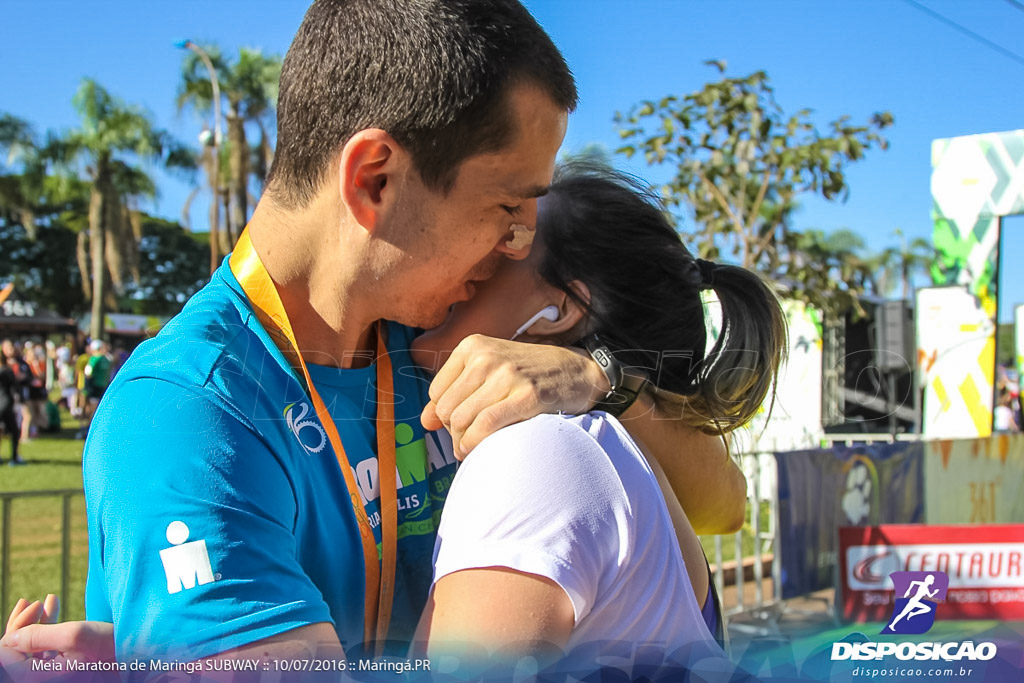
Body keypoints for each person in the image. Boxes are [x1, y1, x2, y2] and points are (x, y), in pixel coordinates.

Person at [0, 0, 742, 670]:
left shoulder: (437, 335)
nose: (520, 241)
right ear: (376, 179)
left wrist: (598, 379)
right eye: (508, 204)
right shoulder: (190, 413)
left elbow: (722, 502)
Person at [409, 162, 784, 674]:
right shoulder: (595, 443)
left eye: (511, 242)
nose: (469, 251)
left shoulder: (541, 454)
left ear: (559, 310)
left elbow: (728, 503)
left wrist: (603, 377)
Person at [0, 354, 25, 465]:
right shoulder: (7, 372)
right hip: (5, 404)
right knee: (14, 432)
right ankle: (14, 458)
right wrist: (21, 400)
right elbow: (15, 387)